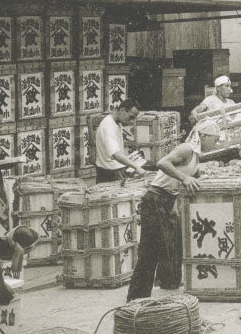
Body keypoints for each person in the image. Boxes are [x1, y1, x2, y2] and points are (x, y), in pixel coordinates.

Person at [127, 120, 223, 301]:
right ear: (203, 136)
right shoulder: (186, 149)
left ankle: (166, 283)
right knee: (149, 251)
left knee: (171, 245)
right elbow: (163, 163)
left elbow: (193, 176)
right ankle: (136, 298)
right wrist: (184, 178)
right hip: (155, 199)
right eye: (214, 139)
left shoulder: (196, 156)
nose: (215, 143)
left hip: (168, 200)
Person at [94, 98, 145, 183]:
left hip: (114, 169)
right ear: (122, 110)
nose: (131, 121)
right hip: (110, 172)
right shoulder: (108, 126)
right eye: (131, 117)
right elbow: (116, 154)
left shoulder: (116, 123)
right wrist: (136, 167)